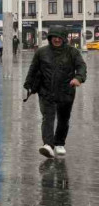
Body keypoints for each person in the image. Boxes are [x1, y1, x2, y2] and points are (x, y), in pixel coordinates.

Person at [24, 27, 87, 158]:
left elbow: (81, 66)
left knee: (64, 119)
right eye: (54, 37)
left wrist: (78, 78)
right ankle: (48, 144)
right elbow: (33, 69)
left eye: (60, 37)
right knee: (48, 117)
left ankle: (59, 143)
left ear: (64, 38)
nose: (57, 39)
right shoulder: (41, 52)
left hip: (66, 91)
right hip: (46, 91)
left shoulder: (72, 52)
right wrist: (28, 84)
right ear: (50, 38)